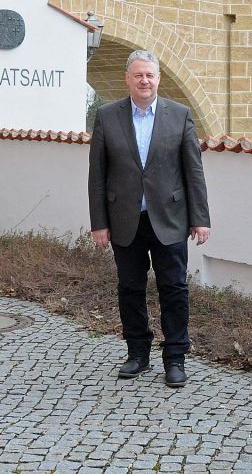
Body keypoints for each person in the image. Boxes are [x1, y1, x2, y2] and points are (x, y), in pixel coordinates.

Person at [88, 49, 211, 388]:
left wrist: (200, 218)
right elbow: (97, 174)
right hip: (125, 218)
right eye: (138, 75)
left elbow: (193, 171)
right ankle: (137, 354)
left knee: (174, 289)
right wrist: (99, 222)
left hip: (170, 218)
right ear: (127, 78)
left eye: (150, 75)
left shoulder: (180, 115)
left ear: (158, 79)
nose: (145, 80)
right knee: (130, 289)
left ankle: (175, 359)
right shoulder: (107, 116)